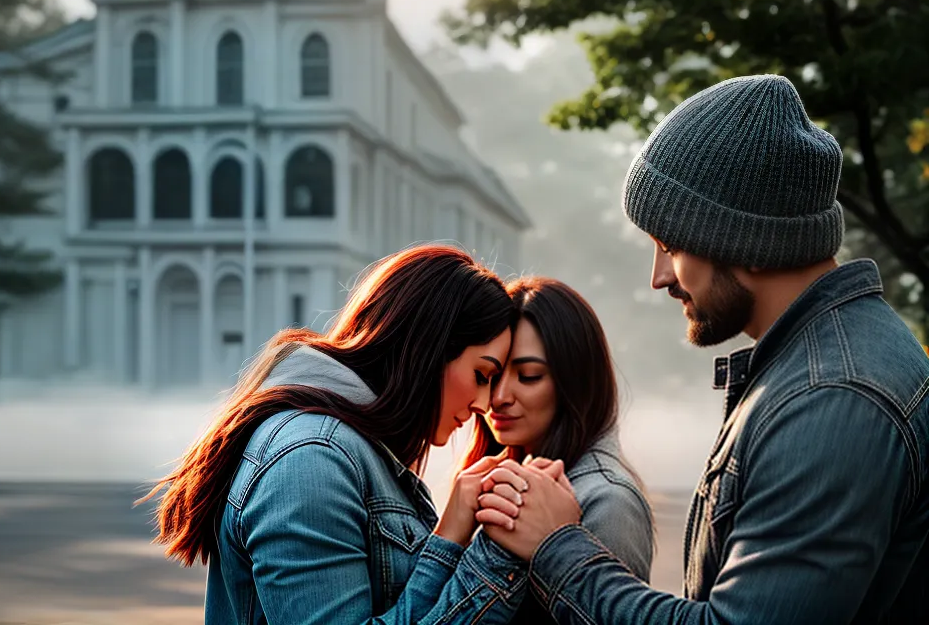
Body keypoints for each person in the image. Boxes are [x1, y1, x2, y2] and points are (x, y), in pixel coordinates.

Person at [475, 75, 929, 624]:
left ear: (748, 242)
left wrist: (558, 547)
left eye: (670, 246)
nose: (659, 277)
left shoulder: (831, 397)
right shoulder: (817, 368)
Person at [147, 244, 532, 625]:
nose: (485, 404)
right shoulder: (312, 459)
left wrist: (453, 534)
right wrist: (487, 553)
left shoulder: (348, 451)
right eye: (482, 374)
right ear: (428, 350)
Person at [464, 276, 653, 619]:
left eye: (529, 376)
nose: (500, 396)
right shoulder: (485, 479)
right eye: (491, 374)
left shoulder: (608, 502)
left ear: (574, 382)